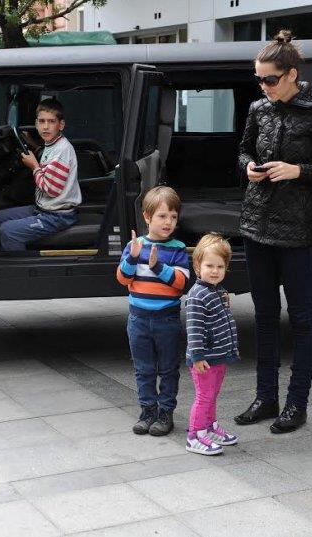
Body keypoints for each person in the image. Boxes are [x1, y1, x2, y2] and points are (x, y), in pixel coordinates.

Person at [234, 30, 312, 435]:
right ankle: (266, 397)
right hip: (255, 223)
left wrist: (298, 170)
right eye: (259, 79)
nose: (263, 86)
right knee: (264, 315)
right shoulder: (257, 110)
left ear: (291, 74)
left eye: (270, 79)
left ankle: (296, 403)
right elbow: (243, 151)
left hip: (297, 229)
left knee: (300, 318)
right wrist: (249, 167)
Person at [117, 186, 191, 437]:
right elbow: (123, 279)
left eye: (173, 216)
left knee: (169, 368)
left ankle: (165, 412)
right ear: (147, 217)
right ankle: (147, 411)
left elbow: (181, 283)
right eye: (162, 216)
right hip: (138, 319)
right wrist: (131, 258)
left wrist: (158, 267)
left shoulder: (178, 248)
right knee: (144, 369)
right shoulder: (135, 245)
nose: (168, 221)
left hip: (166, 319)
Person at [0, 98, 82, 252]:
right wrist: (33, 145)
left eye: (51, 122)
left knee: (9, 231)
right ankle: (2, 256)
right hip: (44, 209)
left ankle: (18, 272)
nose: (45, 127)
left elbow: (51, 189)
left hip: (57, 216)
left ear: (61, 125)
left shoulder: (62, 150)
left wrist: (34, 166)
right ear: (36, 123)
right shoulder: (52, 144)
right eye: (41, 121)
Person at [184, 233, 240, 456]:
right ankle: (195, 435)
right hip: (204, 359)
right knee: (204, 396)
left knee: (212, 395)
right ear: (198, 266)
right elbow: (194, 329)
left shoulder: (217, 291)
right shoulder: (198, 295)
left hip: (218, 356)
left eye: (220, 266)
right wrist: (197, 356)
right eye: (209, 265)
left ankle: (209, 427)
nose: (215, 271)